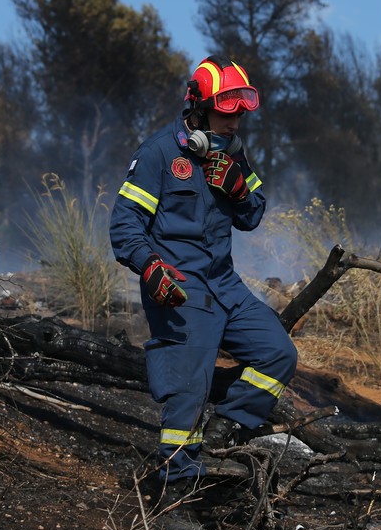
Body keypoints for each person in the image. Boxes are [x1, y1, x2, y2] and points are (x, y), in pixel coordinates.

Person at [110, 55, 298, 489]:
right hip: (179, 287)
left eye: (240, 116)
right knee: (189, 384)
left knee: (278, 354)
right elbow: (124, 223)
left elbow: (252, 216)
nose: (234, 125)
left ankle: (225, 430)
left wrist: (238, 188)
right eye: (225, 115)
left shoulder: (232, 152)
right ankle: (175, 490)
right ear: (196, 108)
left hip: (225, 284)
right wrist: (149, 264)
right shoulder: (158, 153)